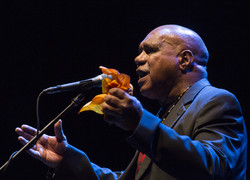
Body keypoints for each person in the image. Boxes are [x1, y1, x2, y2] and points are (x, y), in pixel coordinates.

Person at [15, 25, 247, 180]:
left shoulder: (217, 101)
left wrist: (140, 122)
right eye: (139, 52)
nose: (138, 59)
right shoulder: (165, 112)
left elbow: (214, 169)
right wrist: (67, 161)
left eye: (150, 50)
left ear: (184, 59)